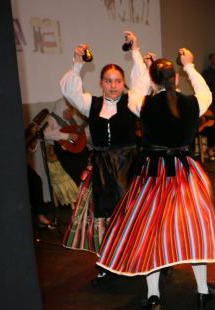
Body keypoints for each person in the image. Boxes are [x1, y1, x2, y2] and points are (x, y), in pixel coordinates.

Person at [97, 49, 215, 310]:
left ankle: (153, 296)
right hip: (183, 173)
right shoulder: (192, 103)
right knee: (194, 230)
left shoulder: (141, 103)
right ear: (176, 78)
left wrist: (143, 65)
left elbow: (137, 91)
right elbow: (206, 93)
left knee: (150, 233)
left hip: (152, 175)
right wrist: (190, 65)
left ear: (154, 80)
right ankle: (202, 291)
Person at [60, 32, 147, 268]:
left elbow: (142, 82)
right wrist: (77, 64)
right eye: (108, 81)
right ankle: (107, 260)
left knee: (131, 215)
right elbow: (69, 91)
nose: (113, 86)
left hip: (128, 167)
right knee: (103, 219)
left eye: (118, 81)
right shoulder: (91, 103)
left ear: (123, 83)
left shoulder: (131, 102)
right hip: (101, 169)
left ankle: (135, 257)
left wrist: (135, 51)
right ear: (100, 83)